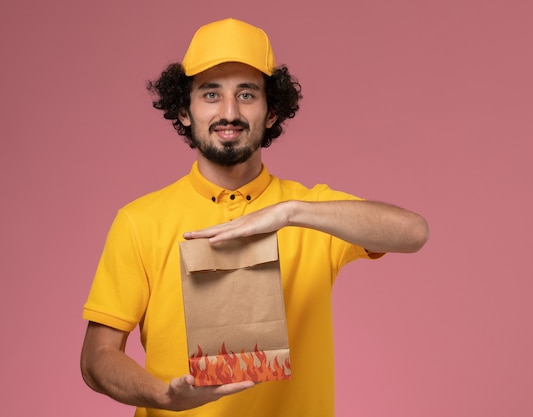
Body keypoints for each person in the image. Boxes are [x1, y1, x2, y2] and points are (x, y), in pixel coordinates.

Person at [80, 17, 429, 417]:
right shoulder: (139, 221)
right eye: (211, 94)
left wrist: (290, 212)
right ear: (184, 111)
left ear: (271, 113)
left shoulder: (310, 210)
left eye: (246, 95)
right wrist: (163, 396)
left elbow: (414, 232)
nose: (229, 112)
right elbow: (96, 358)